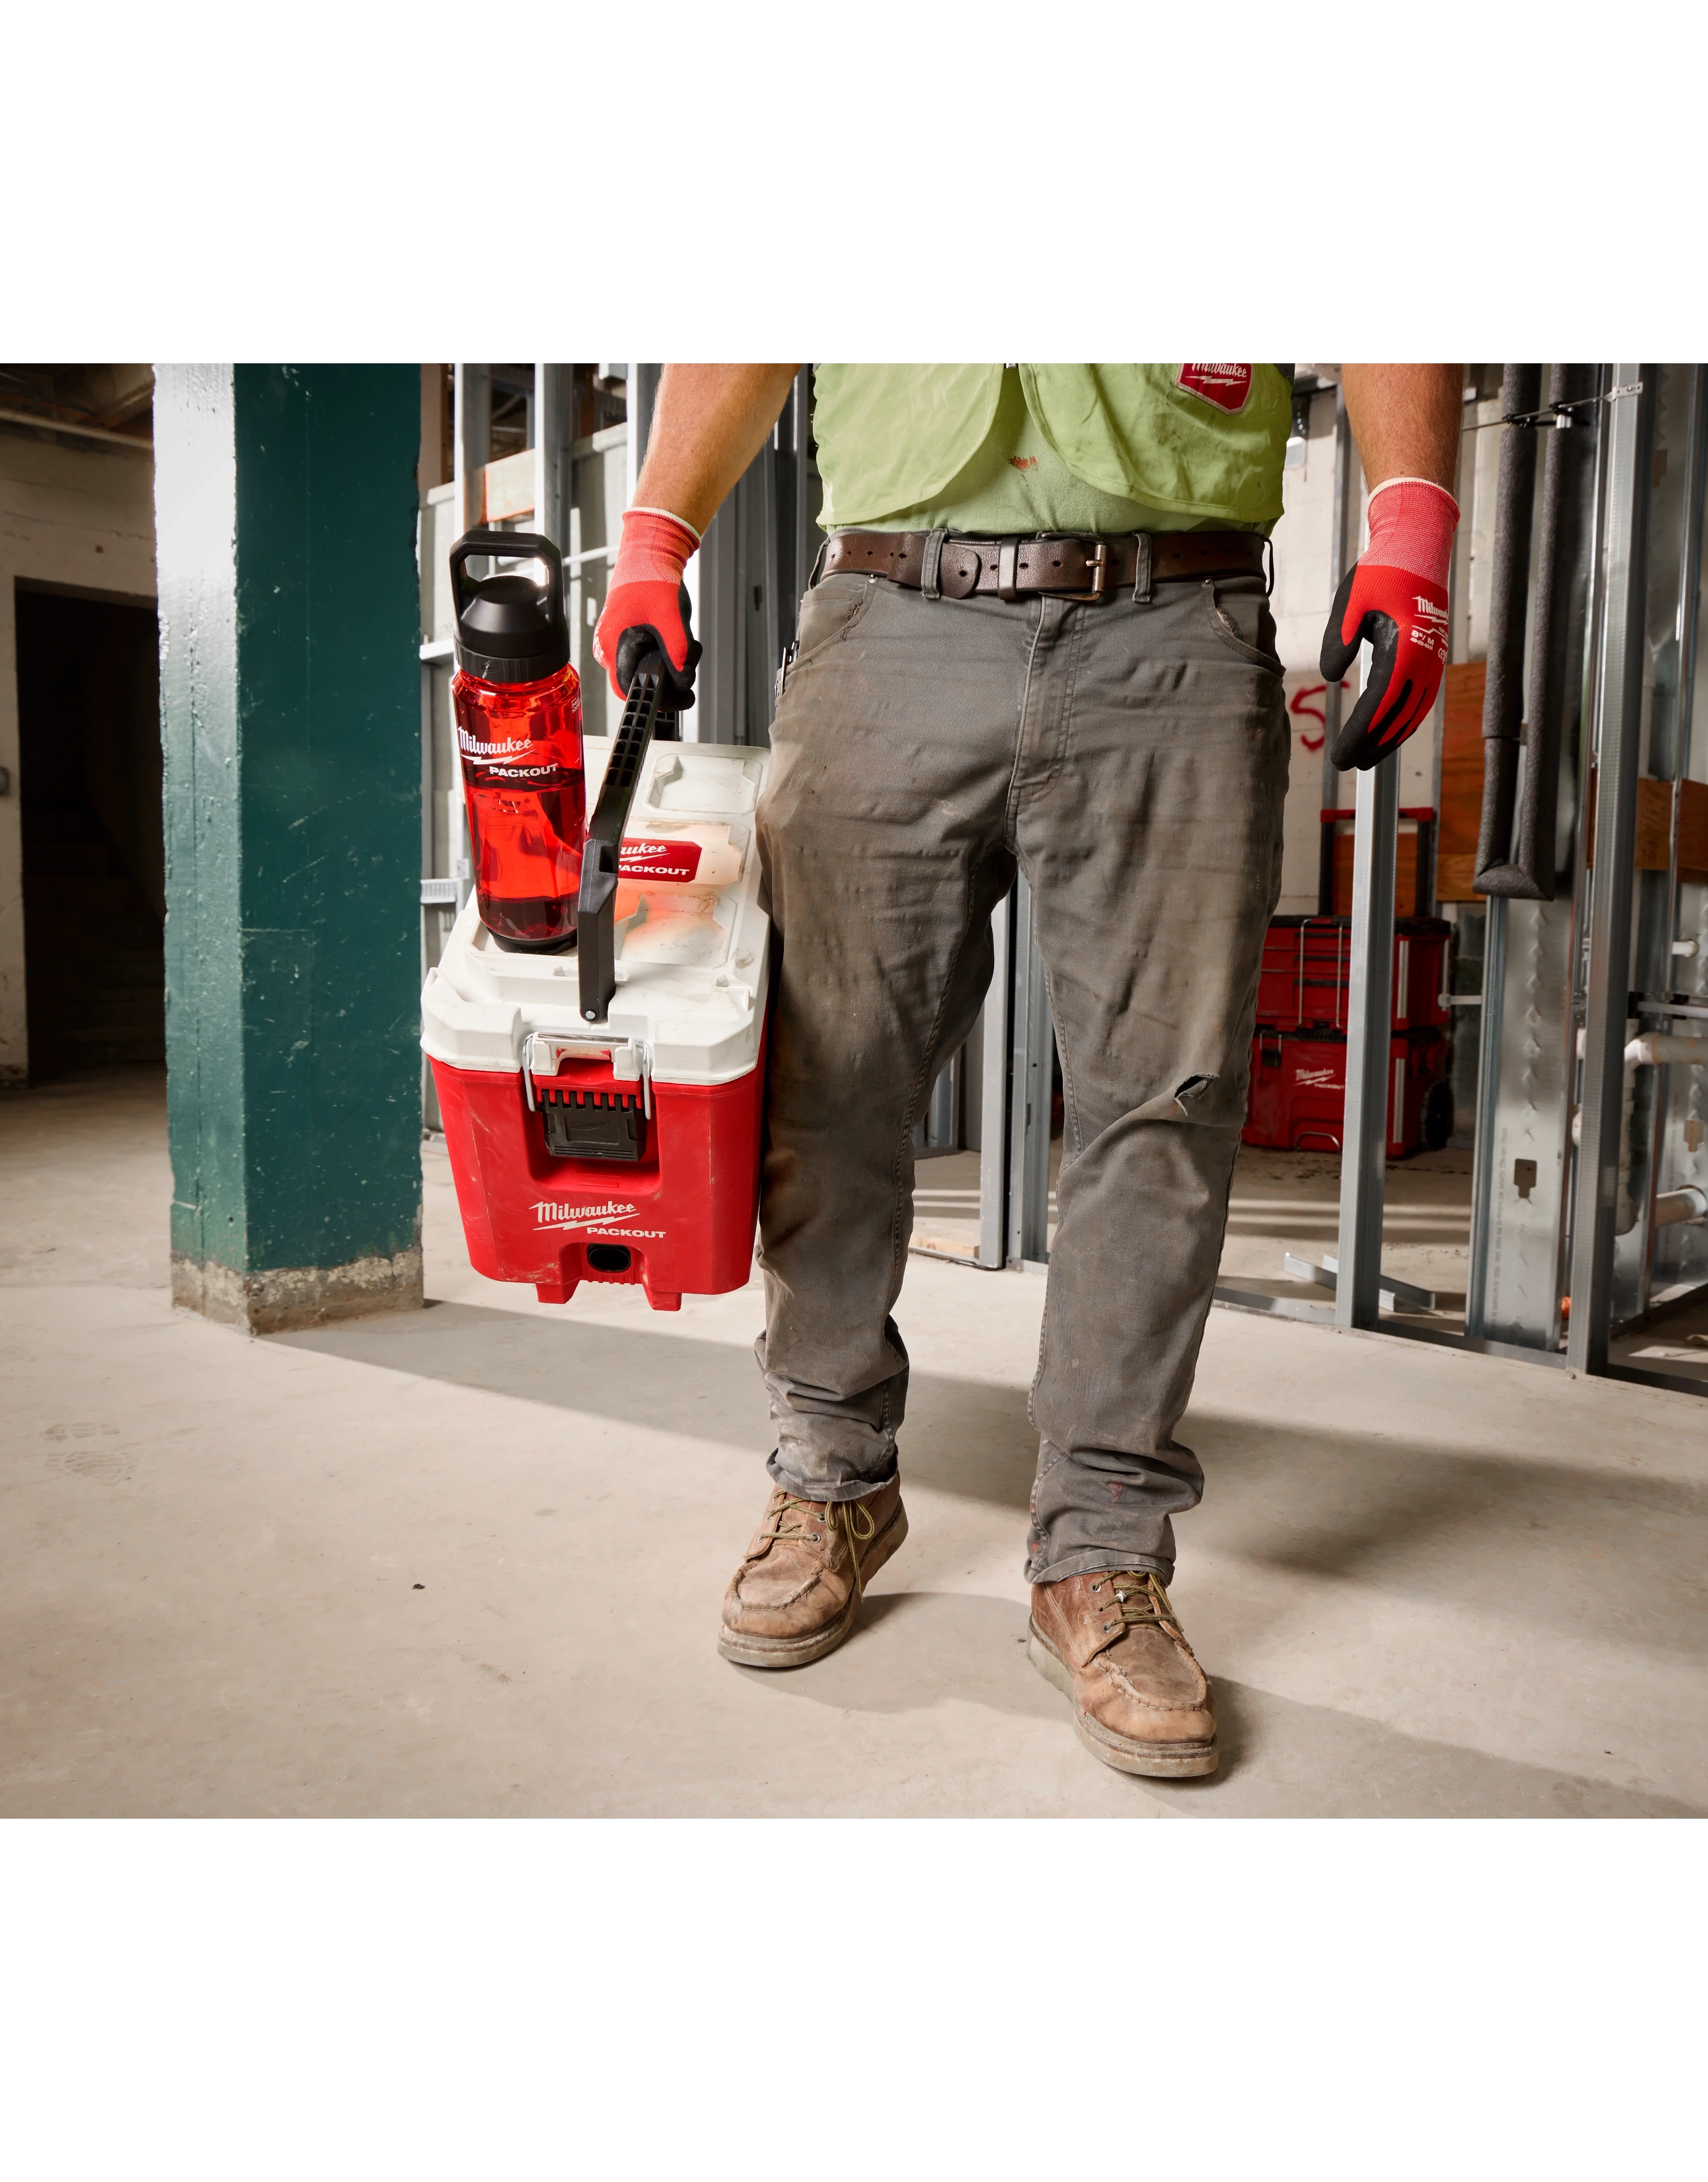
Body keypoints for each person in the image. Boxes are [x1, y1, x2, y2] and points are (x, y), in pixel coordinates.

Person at [595, 361, 1463, 1777]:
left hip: (1175, 616)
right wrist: (653, 538)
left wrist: (1412, 519)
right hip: (888, 611)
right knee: (830, 1074)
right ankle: (832, 1479)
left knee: (1159, 1105)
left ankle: (1101, 1555)